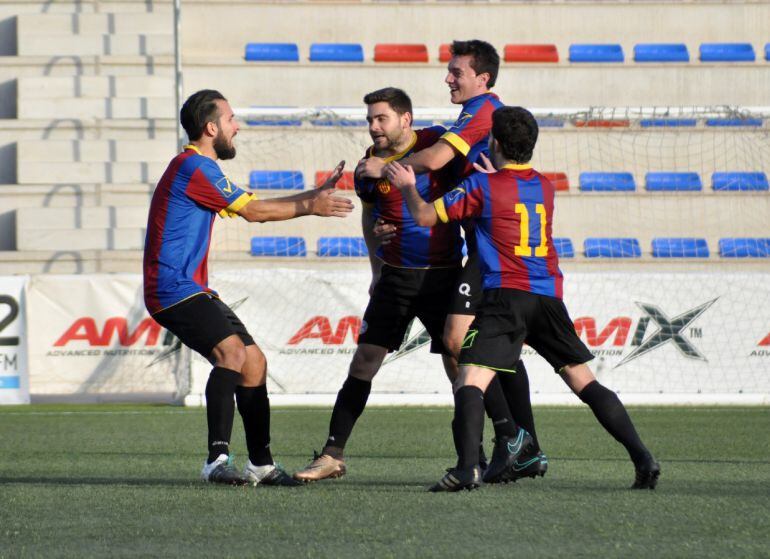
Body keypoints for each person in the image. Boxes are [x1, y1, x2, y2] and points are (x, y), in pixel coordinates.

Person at [385, 106, 661, 492]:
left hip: (505, 297)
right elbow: (506, 201)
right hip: (547, 296)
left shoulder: (480, 187)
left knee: (469, 379)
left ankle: (467, 469)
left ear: (494, 142)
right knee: (584, 381)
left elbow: (428, 217)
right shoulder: (544, 187)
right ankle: (643, 457)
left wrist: (408, 187)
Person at [293, 87, 528, 483]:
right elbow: (370, 218)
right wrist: (375, 268)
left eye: (381, 118)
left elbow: (475, 177)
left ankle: (481, 455)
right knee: (364, 361)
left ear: (405, 119)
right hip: (396, 277)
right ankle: (331, 455)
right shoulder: (367, 166)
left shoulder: (436, 141)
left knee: (461, 364)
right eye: (369, 119)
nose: (373, 127)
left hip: (445, 274)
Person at [143, 89, 353, 485]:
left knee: (254, 363)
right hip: (171, 287)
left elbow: (250, 203)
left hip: (191, 287)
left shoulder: (200, 169)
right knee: (233, 353)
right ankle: (216, 461)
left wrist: (312, 195)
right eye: (230, 119)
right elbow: (254, 213)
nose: (236, 126)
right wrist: (310, 206)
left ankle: (262, 464)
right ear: (211, 127)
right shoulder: (195, 168)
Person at [364, 40, 545, 482]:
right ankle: (520, 447)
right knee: (495, 351)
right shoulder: (475, 113)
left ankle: (510, 445)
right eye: (449, 70)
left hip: (491, 253)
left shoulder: (483, 111)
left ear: (482, 78)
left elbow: (433, 159)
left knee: (462, 340)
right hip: (486, 249)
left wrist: (383, 164)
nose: (448, 78)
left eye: (456, 71)